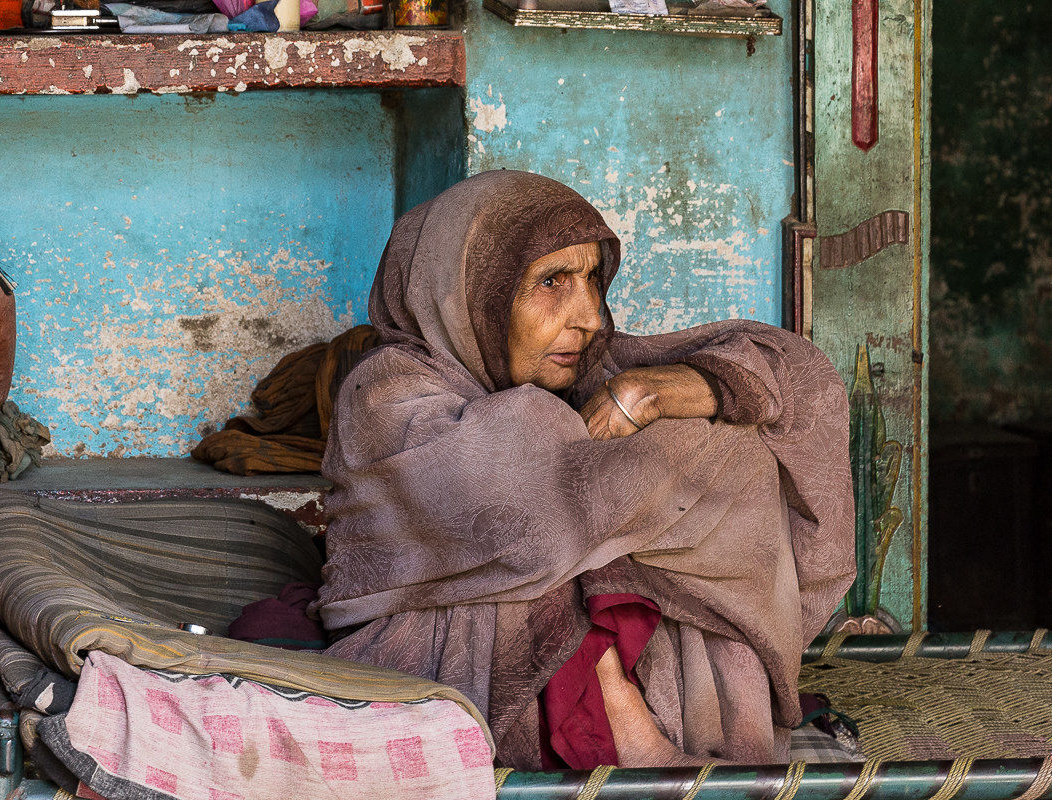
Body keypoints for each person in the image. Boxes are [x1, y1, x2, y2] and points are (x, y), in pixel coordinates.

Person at [311, 170, 855, 769]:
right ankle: (636, 743)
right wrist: (653, 445)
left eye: (593, 279)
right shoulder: (384, 391)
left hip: (587, 657)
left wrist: (664, 389)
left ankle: (695, 730)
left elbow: (800, 379)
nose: (590, 317)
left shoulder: (582, 369)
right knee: (548, 540)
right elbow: (534, 508)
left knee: (730, 452)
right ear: (468, 291)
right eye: (552, 282)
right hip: (433, 659)